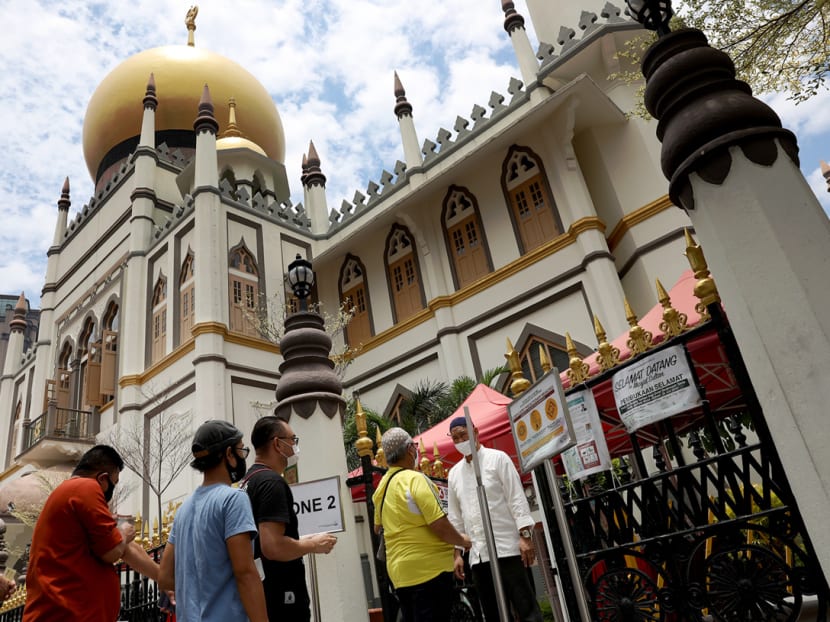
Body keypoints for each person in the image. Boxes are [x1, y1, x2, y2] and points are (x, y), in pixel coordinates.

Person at [158, 420, 267, 622]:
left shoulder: (183, 511)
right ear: (228, 454)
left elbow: (164, 576)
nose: (243, 456)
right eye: (241, 450)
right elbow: (245, 573)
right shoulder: (233, 499)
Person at [23, 444, 137, 621]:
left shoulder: (69, 493)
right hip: (66, 614)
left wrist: (164, 578)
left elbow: (126, 549)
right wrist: (124, 533)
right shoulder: (86, 487)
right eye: (113, 484)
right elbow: (112, 551)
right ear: (103, 478)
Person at [241, 416, 338, 622]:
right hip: (282, 595)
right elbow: (272, 546)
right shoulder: (271, 482)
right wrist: (313, 544)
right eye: (293, 440)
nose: (295, 446)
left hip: (260, 592)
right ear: (278, 443)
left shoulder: (248, 481)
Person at [447, 417, 543, 622]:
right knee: (493, 614)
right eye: (456, 438)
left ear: (476, 431)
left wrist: (525, 537)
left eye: (463, 435)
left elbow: (516, 498)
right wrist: (457, 554)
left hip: (507, 548)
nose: (461, 440)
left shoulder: (498, 458)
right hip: (479, 555)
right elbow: (456, 519)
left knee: (526, 609)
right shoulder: (454, 474)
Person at [372, 427, 471, 622]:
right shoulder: (415, 480)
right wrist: (462, 541)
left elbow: (377, 527)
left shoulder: (381, 487)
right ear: (410, 449)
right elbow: (439, 524)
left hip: (399, 574)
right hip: (429, 570)